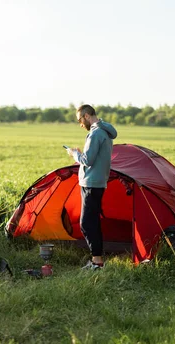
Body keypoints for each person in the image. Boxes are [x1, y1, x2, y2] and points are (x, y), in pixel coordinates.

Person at [66, 104, 117, 270]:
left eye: (80, 120)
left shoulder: (96, 133)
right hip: (97, 182)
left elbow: (87, 160)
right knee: (92, 221)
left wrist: (74, 154)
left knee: (87, 223)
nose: (81, 124)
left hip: (91, 183)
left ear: (87, 116)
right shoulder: (105, 131)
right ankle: (97, 260)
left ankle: (97, 262)